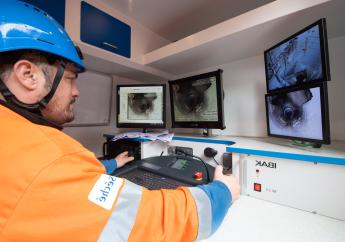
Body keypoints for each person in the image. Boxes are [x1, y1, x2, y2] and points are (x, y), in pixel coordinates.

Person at [0, 1, 240, 242]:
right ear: (28, 75)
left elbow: (69, 182)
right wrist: (222, 191)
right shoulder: (49, 160)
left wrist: (111, 165)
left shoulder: (18, 144)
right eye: (71, 79)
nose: (76, 92)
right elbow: (155, 221)